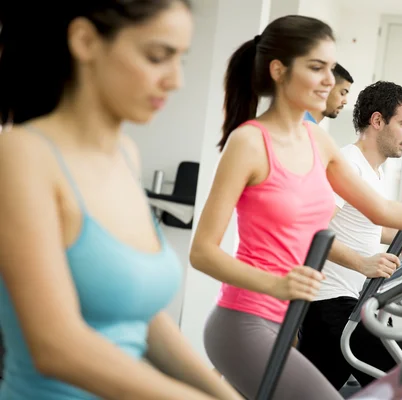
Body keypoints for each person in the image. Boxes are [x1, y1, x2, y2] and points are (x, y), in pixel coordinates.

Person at [189, 14, 402, 400]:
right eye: (317, 68)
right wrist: (277, 283)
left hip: (285, 318)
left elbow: (384, 213)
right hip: (243, 320)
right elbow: (202, 252)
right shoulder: (250, 142)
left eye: (331, 69)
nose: (329, 81)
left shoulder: (317, 141)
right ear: (278, 70)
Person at [0, 2, 242, 399]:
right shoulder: (23, 155)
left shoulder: (126, 155)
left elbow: (142, 318)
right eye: (157, 57)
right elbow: (55, 346)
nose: (176, 79)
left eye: (181, 59)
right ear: (85, 41)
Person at [297, 80, 402, 390]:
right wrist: (362, 264)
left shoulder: (372, 171)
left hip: (344, 304)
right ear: (377, 121)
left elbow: (378, 229)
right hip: (329, 306)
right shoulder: (348, 164)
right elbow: (312, 231)